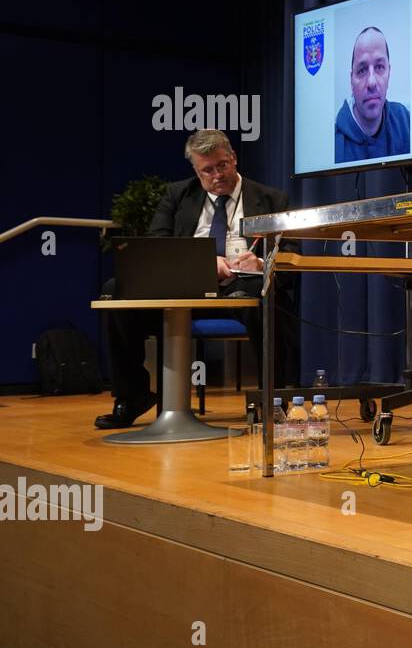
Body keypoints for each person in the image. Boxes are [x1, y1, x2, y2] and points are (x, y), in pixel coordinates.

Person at [95, 129, 299, 428]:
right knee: (117, 289)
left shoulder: (270, 198)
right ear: (196, 170)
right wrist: (203, 263)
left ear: (233, 158)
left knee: (264, 291)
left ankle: (275, 397)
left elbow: (292, 254)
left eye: (222, 165)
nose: (217, 175)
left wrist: (261, 262)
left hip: (243, 284)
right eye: (207, 170)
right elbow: (157, 247)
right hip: (186, 284)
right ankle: (132, 394)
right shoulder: (177, 195)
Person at [334, 26, 411, 163]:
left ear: (389, 72)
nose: (371, 82)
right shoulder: (334, 145)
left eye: (380, 67)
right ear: (351, 79)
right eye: (362, 70)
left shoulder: (405, 120)